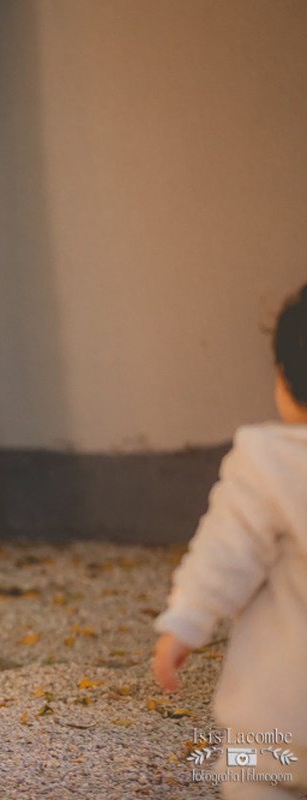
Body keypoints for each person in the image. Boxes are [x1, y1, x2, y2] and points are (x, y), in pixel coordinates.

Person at [153, 282, 307, 798]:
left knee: (245, 770)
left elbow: (225, 553)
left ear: (285, 379)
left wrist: (186, 623)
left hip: (278, 720)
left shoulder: (268, 461)